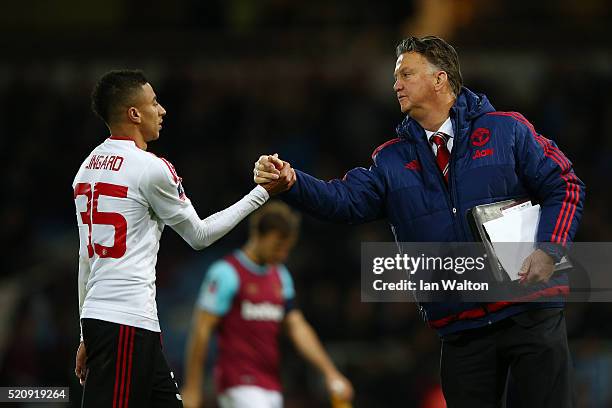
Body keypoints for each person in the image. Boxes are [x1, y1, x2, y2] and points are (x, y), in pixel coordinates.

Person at [253, 36, 585, 407]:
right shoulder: (391, 161)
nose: (396, 84)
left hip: (530, 310)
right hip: (462, 326)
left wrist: (550, 250)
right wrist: (293, 182)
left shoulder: (507, 130)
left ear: (439, 79)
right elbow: (343, 201)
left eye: (406, 74)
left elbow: (565, 184)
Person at [72, 70, 294, 408]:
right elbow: (200, 235)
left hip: (115, 320)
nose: (161, 111)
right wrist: (262, 193)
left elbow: (86, 260)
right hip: (125, 321)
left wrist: (86, 332)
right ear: (134, 113)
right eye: (154, 103)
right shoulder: (149, 168)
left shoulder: (85, 170)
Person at [181, 201, 353, 408]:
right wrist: (192, 387)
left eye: (286, 249)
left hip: (271, 383)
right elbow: (201, 330)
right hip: (238, 382)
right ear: (258, 236)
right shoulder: (226, 272)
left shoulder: (280, 276)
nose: (282, 255)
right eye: (277, 247)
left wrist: (330, 373)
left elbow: (298, 328)